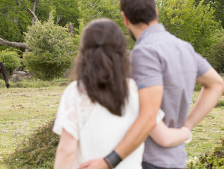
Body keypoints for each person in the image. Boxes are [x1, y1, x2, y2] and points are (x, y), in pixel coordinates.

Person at [79, 0, 224, 169]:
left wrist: (109, 161)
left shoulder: (144, 52)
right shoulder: (184, 47)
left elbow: (149, 116)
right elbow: (217, 84)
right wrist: (186, 126)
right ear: (155, 10)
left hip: (148, 160)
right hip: (176, 158)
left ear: (125, 18)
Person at [53, 19, 192, 168]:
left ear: (84, 51)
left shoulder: (76, 92)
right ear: (120, 52)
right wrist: (186, 131)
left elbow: (67, 151)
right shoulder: (136, 91)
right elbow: (165, 138)